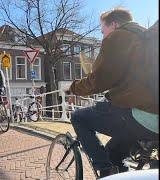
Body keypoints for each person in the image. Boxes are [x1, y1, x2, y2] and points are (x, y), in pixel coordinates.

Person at [66, 8, 159, 178]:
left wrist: (73, 88)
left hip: (143, 117)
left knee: (79, 117)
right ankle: (113, 171)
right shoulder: (147, 38)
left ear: (114, 24)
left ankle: (105, 171)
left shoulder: (119, 37)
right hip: (151, 117)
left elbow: (99, 79)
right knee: (114, 154)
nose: (103, 36)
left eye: (103, 31)